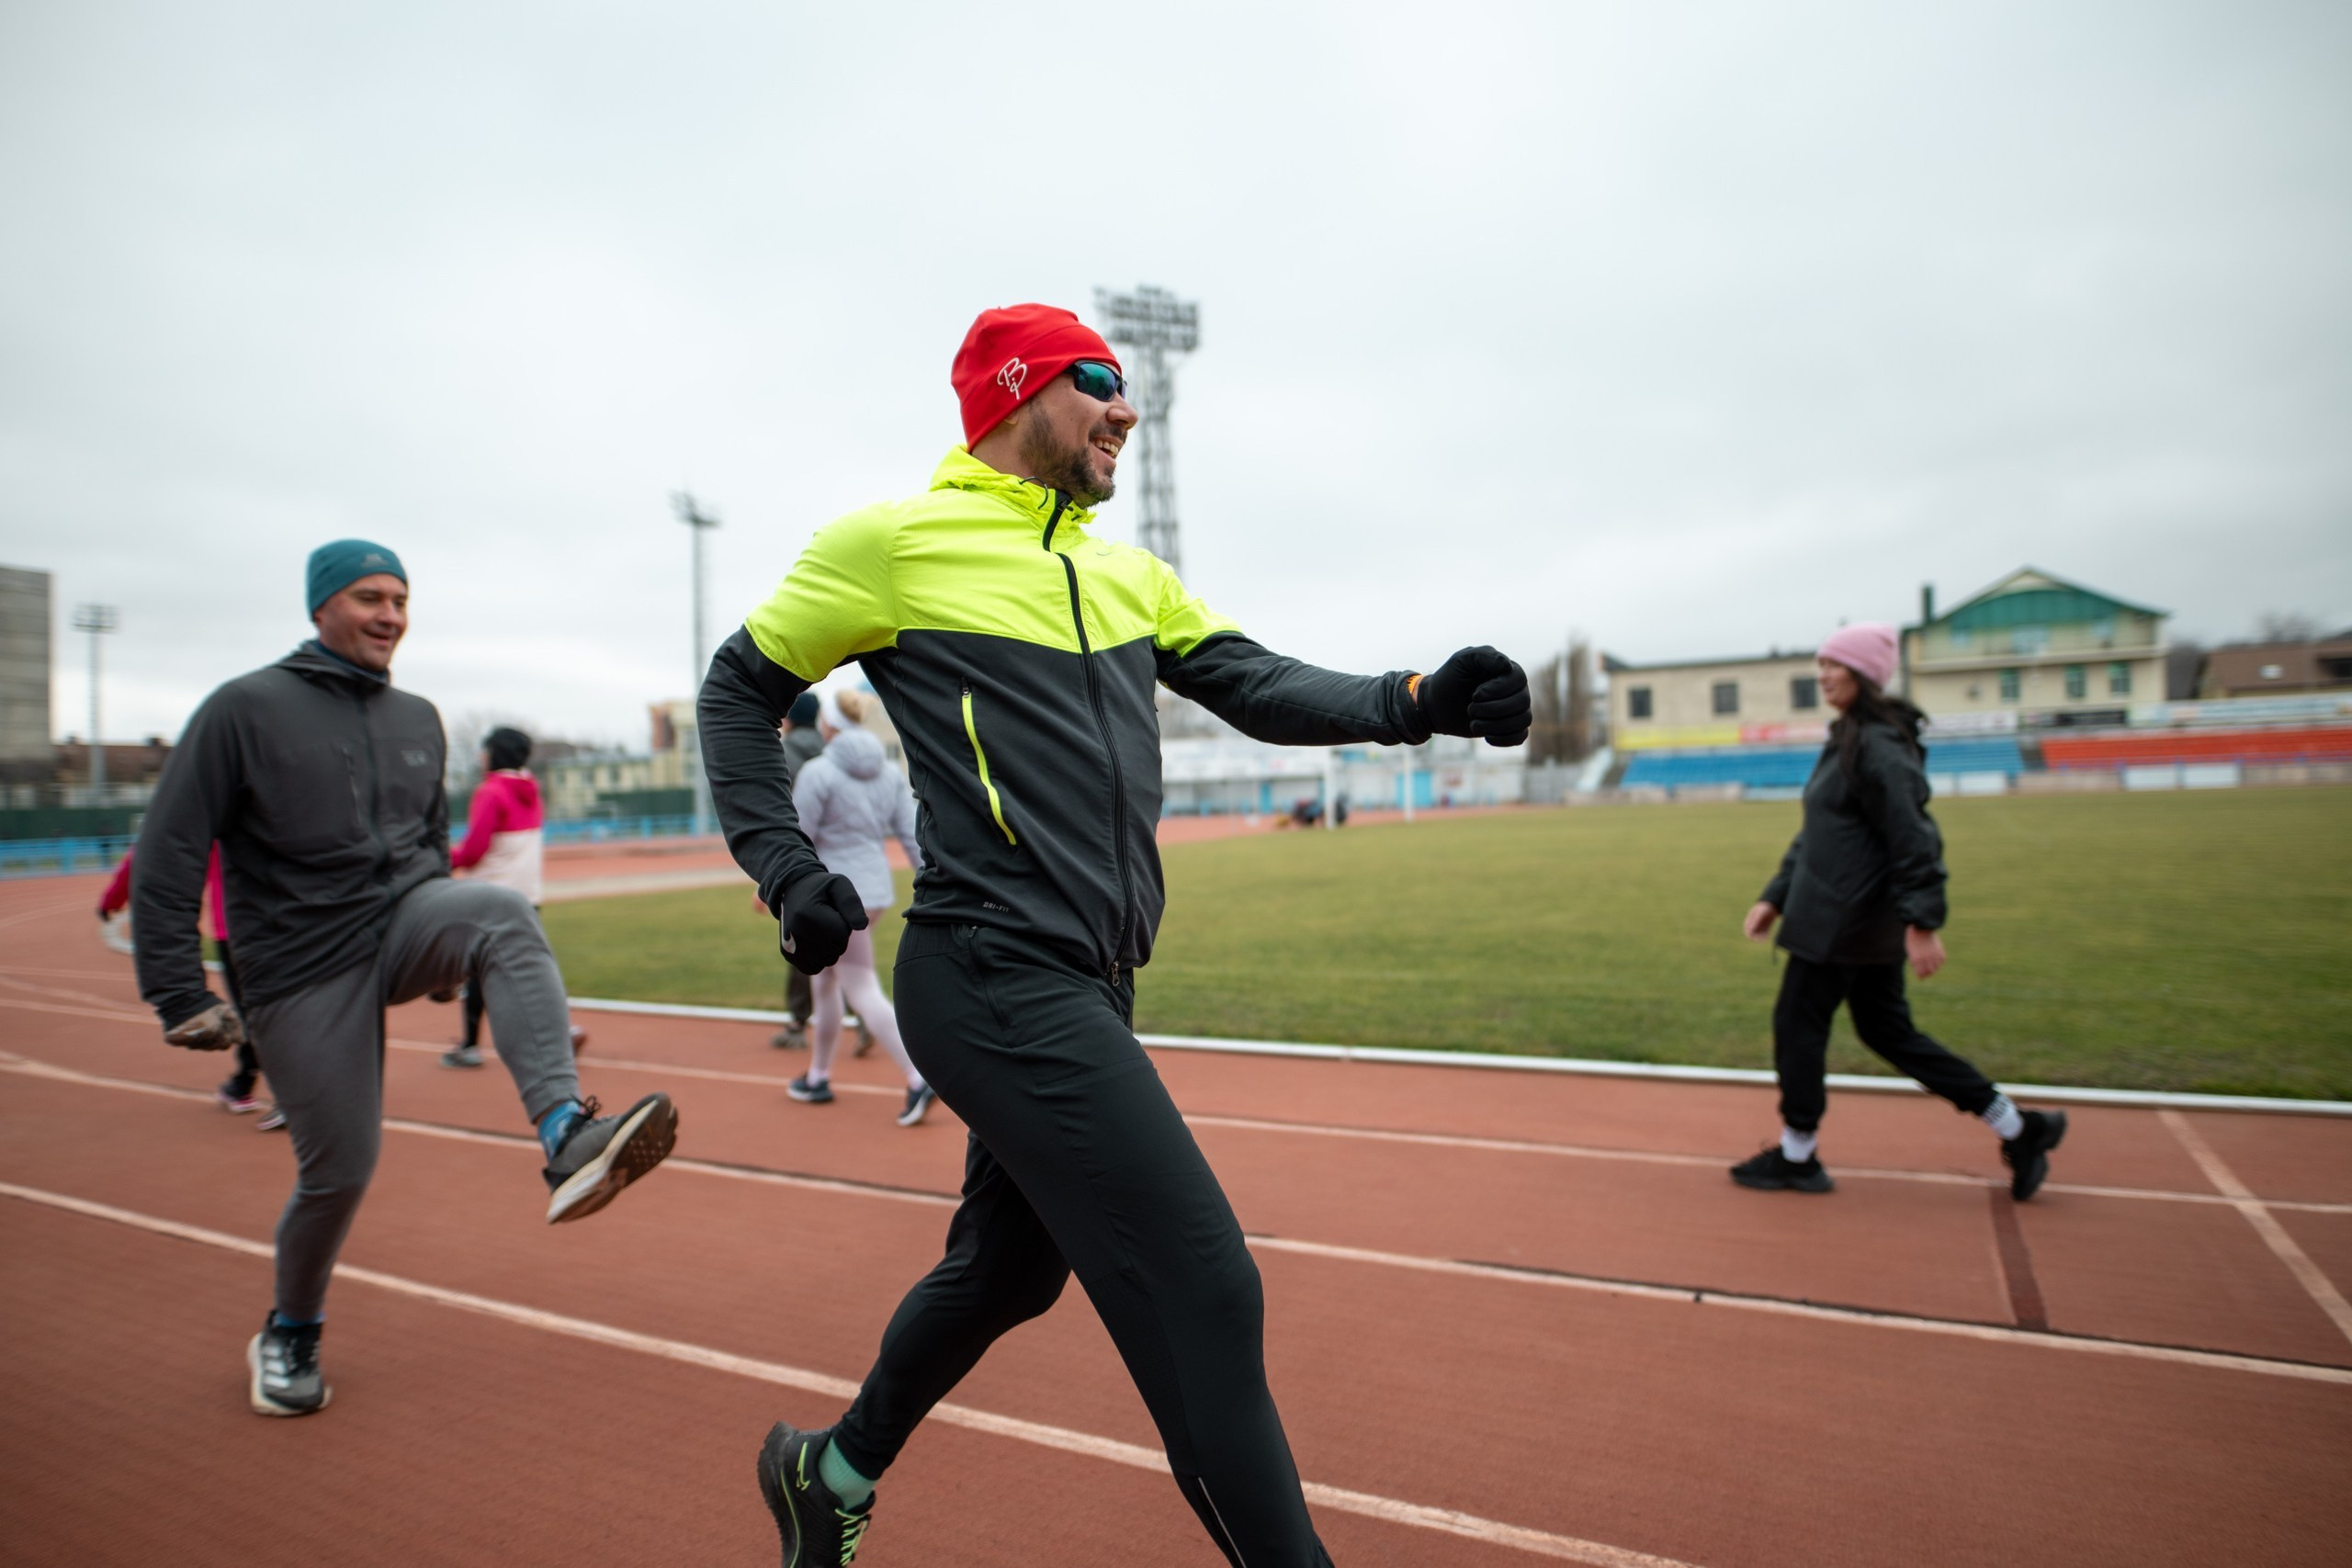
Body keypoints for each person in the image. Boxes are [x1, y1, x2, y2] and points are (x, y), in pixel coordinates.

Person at [698, 302, 1532, 1566]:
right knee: (1206, 1284)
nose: (1125, 409)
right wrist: (781, 861)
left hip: (1092, 978)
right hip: (989, 969)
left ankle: (832, 1471)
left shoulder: (1126, 573)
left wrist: (1413, 700)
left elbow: (1252, 680)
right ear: (1019, 390)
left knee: (1008, 1270)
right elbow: (737, 690)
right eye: (1098, 380)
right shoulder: (893, 545)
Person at [132, 539, 679, 1419]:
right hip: (297, 964)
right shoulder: (243, 708)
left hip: (396, 923)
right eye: (368, 597)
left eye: (400, 598)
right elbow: (170, 847)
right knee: (341, 1169)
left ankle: (568, 1134)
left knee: (501, 914)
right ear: (320, 606)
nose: (390, 614)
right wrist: (176, 989)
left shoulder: (418, 716)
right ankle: (290, 1329)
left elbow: (427, 844)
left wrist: (443, 942)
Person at [1734, 621, 2066, 1201]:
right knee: (1889, 1033)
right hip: (1847, 918)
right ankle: (2018, 1127)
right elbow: (1819, 835)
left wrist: (1923, 922)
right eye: (1821, 664)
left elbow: (1914, 835)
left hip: (1842, 924)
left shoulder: (1879, 746)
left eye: (1834, 664)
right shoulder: (1849, 737)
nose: (1823, 675)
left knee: (1798, 1027)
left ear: (1864, 674)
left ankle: (1798, 1155)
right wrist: (1775, 895)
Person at [781, 690, 934, 1126]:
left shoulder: (818, 772)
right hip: (872, 891)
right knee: (825, 983)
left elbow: (799, 837)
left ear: (829, 724)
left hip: (831, 896)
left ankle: (918, 1078)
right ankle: (818, 1076)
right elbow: (911, 834)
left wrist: (774, 887)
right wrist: (932, 880)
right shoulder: (887, 772)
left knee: (859, 986)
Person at [99, 844, 278, 1124]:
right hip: (291, 925)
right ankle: (250, 1085)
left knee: (256, 1012)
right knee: (281, 1007)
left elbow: (149, 852)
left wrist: (112, 900)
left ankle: (261, 1088)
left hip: (239, 928)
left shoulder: (211, 818)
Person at [443, 726, 590, 1067]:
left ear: (495, 753)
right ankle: (562, 1032)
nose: (480, 756)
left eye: (484, 750)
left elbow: (473, 851)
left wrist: (442, 858)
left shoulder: (490, 791)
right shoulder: (532, 791)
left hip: (490, 895)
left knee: (478, 970)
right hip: (528, 896)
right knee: (533, 968)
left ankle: (469, 1046)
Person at [771, 691, 824, 1050]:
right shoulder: (832, 750)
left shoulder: (783, 752)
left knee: (797, 940)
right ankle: (864, 1017)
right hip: (845, 857)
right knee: (848, 947)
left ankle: (796, 1022)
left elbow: (779, 809)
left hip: (799, 858)